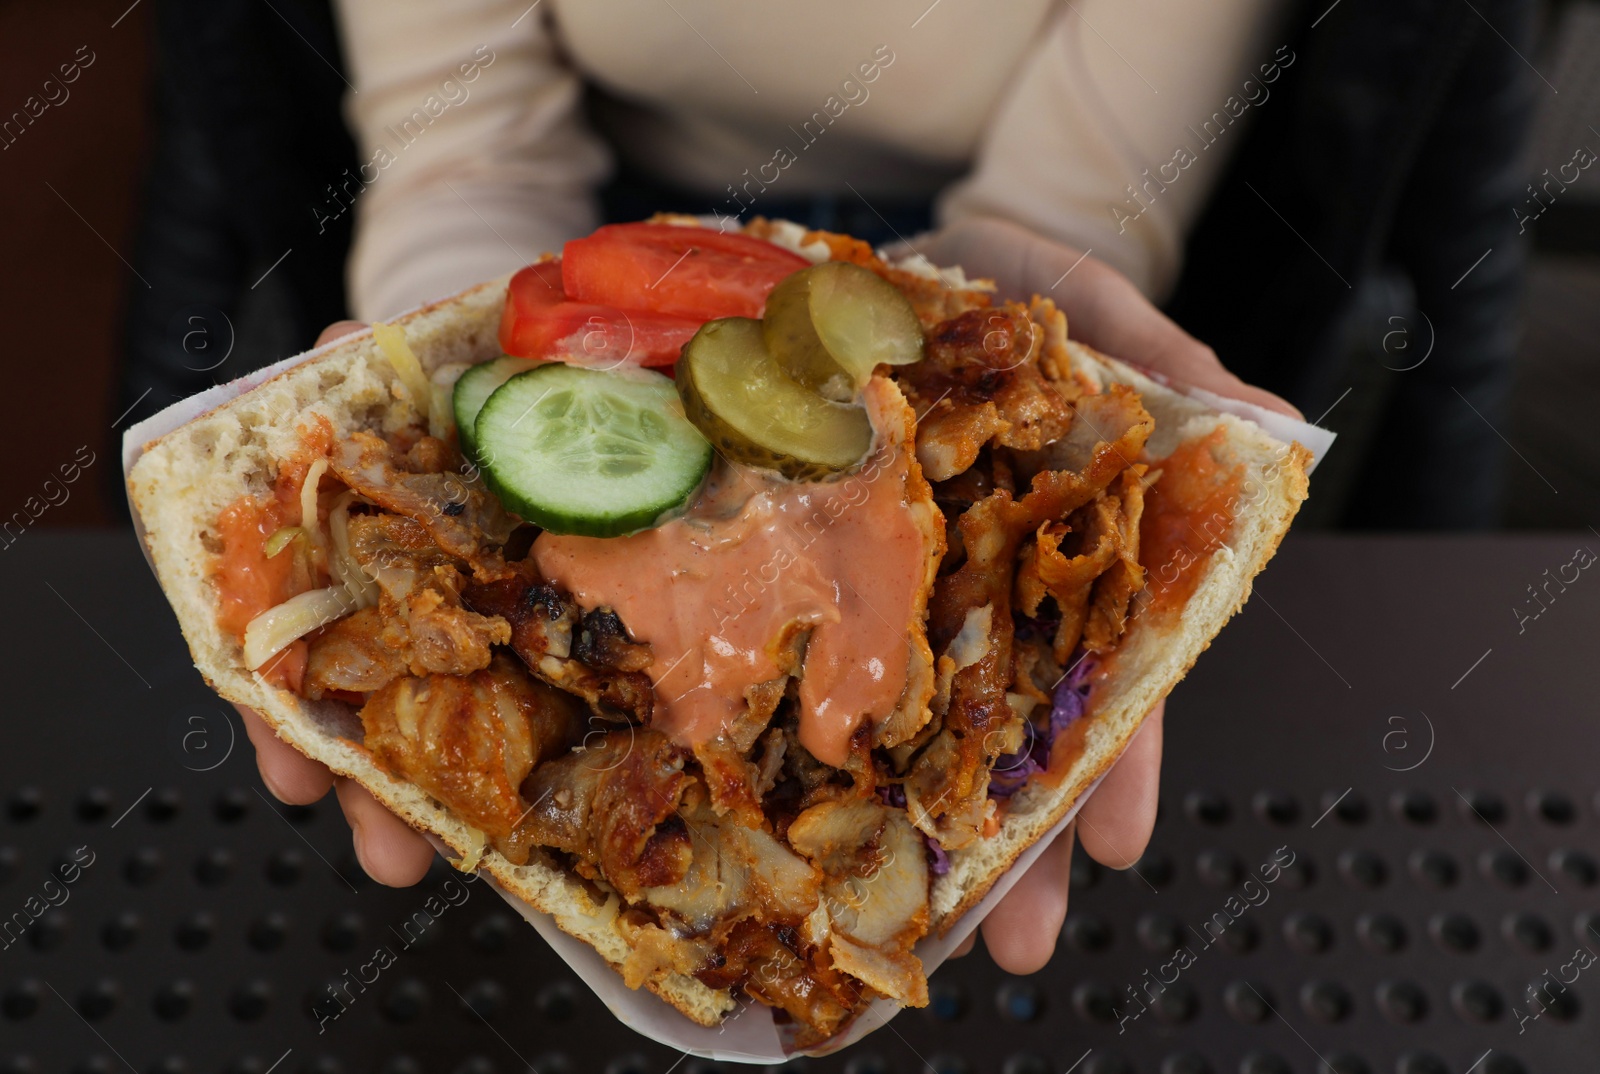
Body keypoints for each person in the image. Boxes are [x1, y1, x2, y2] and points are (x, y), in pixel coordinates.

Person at [239, 0, 1307, 976]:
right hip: (590, 264)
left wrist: (1029, 304)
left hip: (929, 273)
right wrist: (464, 364)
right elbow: (469, 155)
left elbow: (1088, 176)